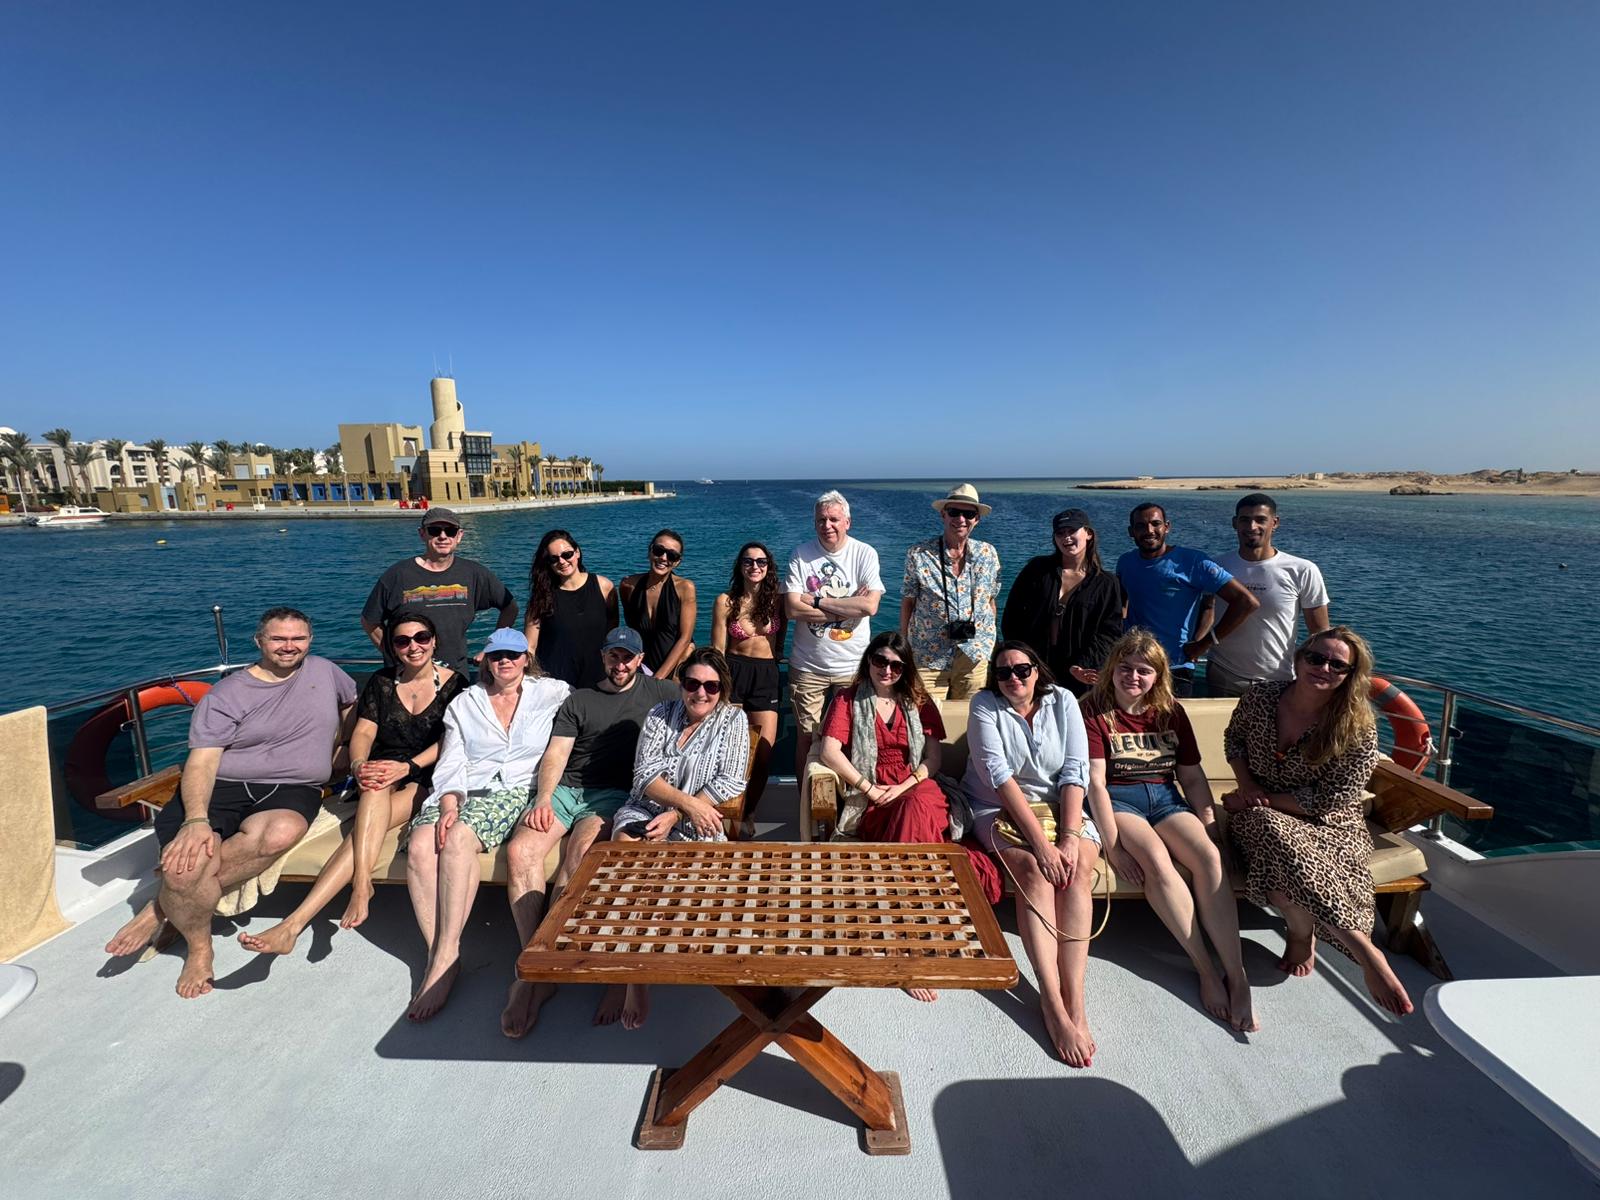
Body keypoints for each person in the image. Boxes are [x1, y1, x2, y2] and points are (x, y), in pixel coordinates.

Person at [103, 608, 356, 998]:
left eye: (298, 638)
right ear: (259, 641)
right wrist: (196, 820)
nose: (289, 646)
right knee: (187, 865)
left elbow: (351, 706)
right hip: (224, 784)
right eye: (278, 638)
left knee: (280, 833)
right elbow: (202, 761)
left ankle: (161, 908)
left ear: (310, 640)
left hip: (292, 787)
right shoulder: (227, 694)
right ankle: (199, 948)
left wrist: (346, 749)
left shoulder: (325, 671)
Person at [239, 610, 466, 956]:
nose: (413, 647)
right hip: (381, 769)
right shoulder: (382, 682)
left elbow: (451, 741)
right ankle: (357, 886)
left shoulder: (456, 684)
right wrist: (359, 764)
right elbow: (363, 732)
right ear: (393, 647)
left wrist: (407, 767)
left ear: (433, 642)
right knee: (374, 786)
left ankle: (301, 919)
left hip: (426, 773)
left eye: (421, 638)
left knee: (362, 830)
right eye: (403, 641)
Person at [1223, 627, 1413, 1016]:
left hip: (1330, 824)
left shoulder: (1356, 728)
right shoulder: (1261, 697)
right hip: (1258, 816)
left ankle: (1305, 934)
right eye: (1316, 658)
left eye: (1337, 665)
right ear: (1299, 659)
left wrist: (1255, 800)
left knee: (1281, 883)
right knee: (1266, 825)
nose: (1323, 668)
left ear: (1350, 675)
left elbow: (1329, 800)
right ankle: (1363, 949)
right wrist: (1248, 787)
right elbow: (1234, 740)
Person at [500, 626, 679, 1035]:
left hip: (613, 794)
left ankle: (549, 959)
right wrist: (544, 798)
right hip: (567, 790)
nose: (621, 664)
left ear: (640, 659)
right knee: (520, 851)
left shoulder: (661, 692)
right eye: (614, 656)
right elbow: (557, 754)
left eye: (628, 657)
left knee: (579, 856)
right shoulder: (579, 699)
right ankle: (533, 963)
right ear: (603, 657)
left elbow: (703, 706)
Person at [1081, 630, 1256, 1032]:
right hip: (1120, 800)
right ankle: (1206, 968)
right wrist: (1114, 848)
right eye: (1125, 667)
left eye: (1144, 670)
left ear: (1158, 676)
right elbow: (1096, 783)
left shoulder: (1170, 712)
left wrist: (1210, 830)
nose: (1133, 677)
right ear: (1112, 670)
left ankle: (1237, 974)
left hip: (1164, 798)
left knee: (1209, 858)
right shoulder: (1093, 710)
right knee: (1156, 861)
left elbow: (1191, 778)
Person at [403, 627, 571, 1023]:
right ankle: (438, 950)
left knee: (458, 839)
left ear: (527, 659)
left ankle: (446, 957)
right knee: (421, 845)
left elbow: (600, 704)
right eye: (497, 656)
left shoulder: (553, 693)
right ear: (486, 661)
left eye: (513, 655)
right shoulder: (466, 703)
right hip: (463, 788)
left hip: (514, 790)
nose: (505, 661)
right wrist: (449, 802)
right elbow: (452, 760)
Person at [963, 640, 1101, 1067]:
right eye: (1004, 672)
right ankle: (1052, 1002)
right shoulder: (984, 706)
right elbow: (999, 777)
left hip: (1061, 810)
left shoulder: (1064, 701)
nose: (1014, 679)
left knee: (1077, 871)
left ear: (1037, 671)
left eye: (1022, 670)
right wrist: (1041, 847)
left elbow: (1076, 771)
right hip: (997, 808)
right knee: (1034, 874)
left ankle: (1075, 999)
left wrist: (1069, 839)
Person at [608, 648, 752, 1029]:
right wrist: (681, 805)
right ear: (681, 684)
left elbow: (731, 779)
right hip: (647, 809)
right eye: (692, 683)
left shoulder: (733, 720)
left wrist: (679, 813)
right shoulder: (661, 714)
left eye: (711, 686)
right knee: (627, 854)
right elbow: (644, 776)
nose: (700, 692)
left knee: (684, 871)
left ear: (722, 689)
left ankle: (648, 957)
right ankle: (635, 971)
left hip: (696, 819)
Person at [783, 489, 884, 778]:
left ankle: (849, 802)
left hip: (853, 668)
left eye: (834, 519)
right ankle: (805, 803)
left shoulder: (864, 553)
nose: (827, 525)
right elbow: (791, 608)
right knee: (807, 738)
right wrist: (849, 608)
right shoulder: (801, 555)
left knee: (852, 740)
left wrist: (816, 601)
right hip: (808, 668)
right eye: (821, 520)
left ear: (847, 522)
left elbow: (870, 606)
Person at [1116, 502, 1259, 697]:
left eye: (1156, 524)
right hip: (1132, 666)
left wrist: (1204, 643)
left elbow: (1246, 602)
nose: (1149, 531)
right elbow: (1122, 605)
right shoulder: (1125, 562)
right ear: (1131, 532)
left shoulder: (1193, 561)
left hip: (1175, 668)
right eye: (1140, 526)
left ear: (1167, 527)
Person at [1202, 493, 1331, 696]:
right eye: (1245, 520)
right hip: (1223, 674)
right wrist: (1198, 645)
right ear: (1235, 523)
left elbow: (1319, 632)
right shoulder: (1216, 566)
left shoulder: (1302, 570)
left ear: (1275, 522)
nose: (1252, 526)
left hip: (1279, 679)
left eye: (1260, 520)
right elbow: (1207, 609)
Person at [361, 509, 518, 672]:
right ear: (422, 534)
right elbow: (369, 621)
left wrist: (492, 647)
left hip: (455, 675)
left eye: (450, 531)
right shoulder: (397, 575)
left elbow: (510, 607)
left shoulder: (475, 573)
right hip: (405, 676)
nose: (443, 536)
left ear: (459, 536)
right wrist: (394, 655)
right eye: (435, 530)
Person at [1001, 508, 1125, 697]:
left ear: (1088, 534)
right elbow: (1012, 617)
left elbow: (1109, 633)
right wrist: (1021, 659)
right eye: (1060, 533)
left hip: (1078, 673)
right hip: (1033, 669)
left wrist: (1083, 665)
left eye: (1072, 530)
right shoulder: (1037, 569)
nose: (1066, 537)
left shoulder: (1106, 583)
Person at [900, 484, 1001, 701]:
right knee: (925, 714)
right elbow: (908, 602)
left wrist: (989, 643)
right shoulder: (919, 554)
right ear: (943, 514)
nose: (961, 519)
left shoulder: (988, 553)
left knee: (970, 715)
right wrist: (904, 646)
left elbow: (990, 600)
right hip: (928, 654)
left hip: (974, 654)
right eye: (954, 512)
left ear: (977, 519)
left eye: (969, 514)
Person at [710, 541, 785, 821]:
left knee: (764, 752)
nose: (755, 566)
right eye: (748, 561)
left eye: (761, 562)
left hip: (766, 675)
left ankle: (749, 811)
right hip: (734, 673)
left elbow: (781, 636)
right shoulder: (725, 601)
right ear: (740, 567)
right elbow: (718, 648)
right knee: (733, 751)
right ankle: (728, 810)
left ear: (768, 567)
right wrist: (717, 684)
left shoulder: (777, 600)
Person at [524, 528, 618, 688]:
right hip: (555, 683)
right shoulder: (541, 597)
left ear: (577, 552)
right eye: (554, 558)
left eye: (567, 554)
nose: (562, 561)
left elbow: (612, 633)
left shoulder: (605, 587)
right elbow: (530, 646)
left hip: (597, 679)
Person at [619, 529, 697, 678]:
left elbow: (685, 638)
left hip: (676, 669)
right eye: (658, 550)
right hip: (641, 669)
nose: (663, 558)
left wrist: (658, 679)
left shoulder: (685, 588)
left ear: (677, 562)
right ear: (650, 551)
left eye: (672, 555)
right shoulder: (628, 585)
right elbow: (632, 629)